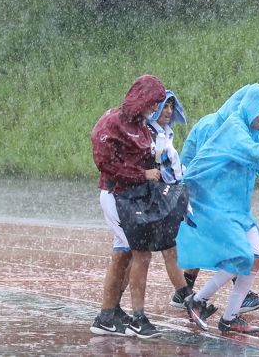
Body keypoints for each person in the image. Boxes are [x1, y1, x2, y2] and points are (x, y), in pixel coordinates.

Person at [176, 84, 259, 334]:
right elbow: (254, 155)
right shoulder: (233, 128)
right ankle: (197, 301)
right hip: (214, 205)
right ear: (251, 109)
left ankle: (228, 317)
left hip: (237, 209)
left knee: (254, 258)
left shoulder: (255, 133)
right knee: (242, 257)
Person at [178, 84, 259, 314]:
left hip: (226, 200)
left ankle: (190, 293)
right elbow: (198, 163)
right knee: (234, 249)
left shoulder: (244, 129)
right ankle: (195, 296)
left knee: (235, 249)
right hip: (208, 198)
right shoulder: (217, 127)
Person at [89, 74, 168, 339]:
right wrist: (141, 175)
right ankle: (137, 317)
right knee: (140, 254)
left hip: (133, 199)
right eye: (153, 103)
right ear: (140, 98)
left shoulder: (144, 127)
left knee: (123, 254)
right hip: (116, 196)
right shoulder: (112, 122)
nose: (154, 109)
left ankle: (108, 313)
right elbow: (105, 163)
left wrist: (155, 165)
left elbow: (145, 159)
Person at [146, 91, 194, 309]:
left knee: (170, 249)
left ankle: (186, 296)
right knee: (142, 254)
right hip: (158, 197)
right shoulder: (148, 134)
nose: (168, 111)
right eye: (164, 106)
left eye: (171, 107)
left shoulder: (166, 133)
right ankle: (186, 298)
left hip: (171, 195)